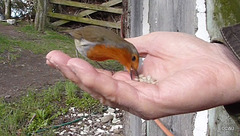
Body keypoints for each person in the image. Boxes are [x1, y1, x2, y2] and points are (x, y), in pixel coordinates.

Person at [46, 24, 240, 125]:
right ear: (127, 53)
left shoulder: (118, 50)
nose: (134, 69)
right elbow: (82, 35)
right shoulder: (111, 45)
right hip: (83, 42)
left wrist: (225, 61)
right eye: (133, 62)